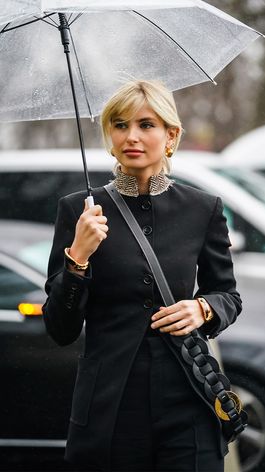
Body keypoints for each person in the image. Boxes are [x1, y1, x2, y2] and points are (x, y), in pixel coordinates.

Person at [42, 80, 242, 472]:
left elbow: (228, 295)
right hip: (111, 406)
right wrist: (78, 256)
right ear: (108, 135)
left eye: (146, 125)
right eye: (119, 124)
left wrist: (203, 309)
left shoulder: (203, 209)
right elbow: (60, 328)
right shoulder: (78, 211)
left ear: (171, 135)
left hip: (188, 396)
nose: (131, 136)